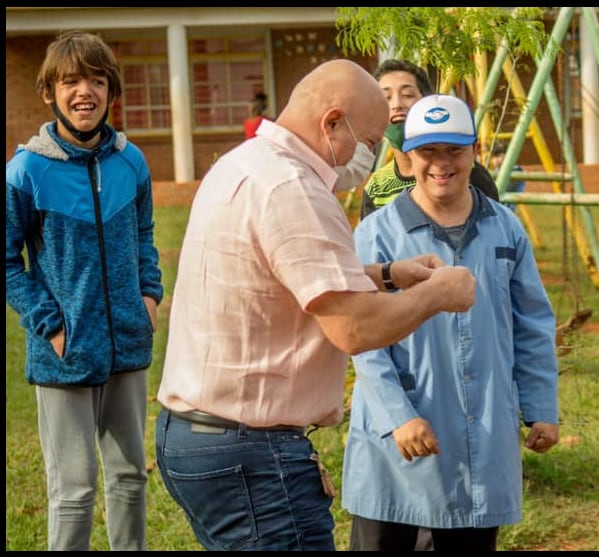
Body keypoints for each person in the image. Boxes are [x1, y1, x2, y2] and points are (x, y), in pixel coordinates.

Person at [154, 59, 477, 551]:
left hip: (201, 437)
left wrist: (388, 275)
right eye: (368, 142)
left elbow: (282, 278)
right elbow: (353, 327)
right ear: (332, 123)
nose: (369, 156)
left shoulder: (242, 164)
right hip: (252, 452)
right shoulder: (295, 189)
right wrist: (437, 294)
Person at [342, 94, 561, 551]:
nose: (441, 165)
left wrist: (541, 406)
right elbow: (362, 338)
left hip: (481, 432)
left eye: (454, 152)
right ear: (408, 156)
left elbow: (532, 323)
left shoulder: (505, 228)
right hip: (397, 442)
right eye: (428, 152)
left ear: (475, 152)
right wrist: (398, 417)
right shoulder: (377, 233)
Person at [5, 30, 163, 551]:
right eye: (71, 81)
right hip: (64, 352)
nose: (85, 92)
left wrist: (148, 294)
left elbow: (143, 234)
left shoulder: (130, 161)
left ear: (111, 91)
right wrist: (48, 323)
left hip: (126, 343)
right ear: (50, 92)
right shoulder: (27, 170)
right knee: (73, 490)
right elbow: (7, 262)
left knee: (130, 478)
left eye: (97, 80)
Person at [359, 59, 499, 221]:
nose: (397, 105)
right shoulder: (377, 186)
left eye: (407, 95)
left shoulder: (464, 173)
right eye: (386, 97)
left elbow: (493, 233)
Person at [487, 140, 526, 212]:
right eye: (494, 157)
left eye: (498, 156)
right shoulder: (494, 172)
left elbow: (505, 188)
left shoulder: (516, 171)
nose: (495, 160)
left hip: (506, 210)